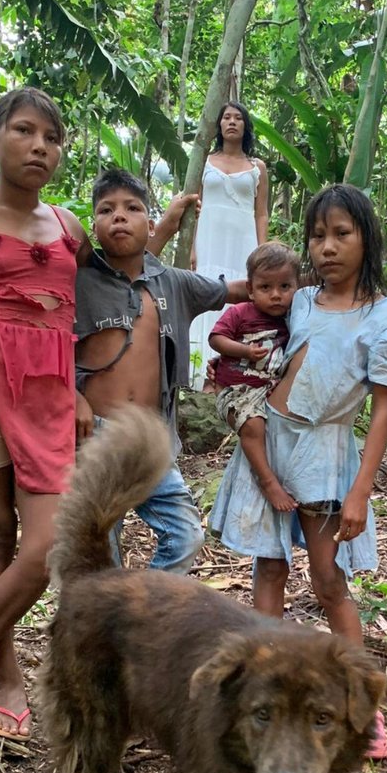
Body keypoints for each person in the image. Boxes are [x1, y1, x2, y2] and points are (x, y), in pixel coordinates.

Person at [0, 90, 192, 739]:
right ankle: (4, 675)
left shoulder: (69, 229)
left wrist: (167, 224)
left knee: (48, 545)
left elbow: (124, 263)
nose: (39, 146)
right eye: (25, 131)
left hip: (49, 393)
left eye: (52, 137)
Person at [210, 184, 387, 758]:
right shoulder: (299, 299)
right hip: (271, 443)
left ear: (366, 238)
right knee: (269, 568)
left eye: (341, 234)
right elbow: (249, 299)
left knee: (328, 580)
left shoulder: (383, 318)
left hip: (325, 456)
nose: (327, 247)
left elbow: (382, 411)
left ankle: (363, 705)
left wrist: (360, 491)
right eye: (318, 235)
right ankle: (264, 691)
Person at [74, 168, 249, 571]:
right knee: (100, 553)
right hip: (96, 436)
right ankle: (110, 610)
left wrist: (302, 285)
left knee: (186, 535)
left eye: (132, 208)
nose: (119, 216)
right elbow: (51, 345)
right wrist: (71, 396)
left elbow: (236, 290)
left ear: (150, 225)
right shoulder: (80, 281)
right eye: (106, 210)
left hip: (151, 438)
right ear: (94, 227)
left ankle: (145, 602)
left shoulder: (173, 282)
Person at [210, 241, 299, 512]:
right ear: (250, 289)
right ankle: (267, 480)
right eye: (265, 287)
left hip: (269, 392)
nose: (276, 295)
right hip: (237, 390)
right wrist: (244, 351)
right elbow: (216, 338)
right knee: (253, 426)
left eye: (285, 286)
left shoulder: (294, 318)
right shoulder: (240, 312)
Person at [187, 102, 268, 389]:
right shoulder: (204, 162)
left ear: (246, 125)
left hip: (243, 242)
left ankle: (232, 374)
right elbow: (194, 206)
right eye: (226, 117)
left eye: (238, 118)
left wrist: (262, 251)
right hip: (209, 239)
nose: (232, 122)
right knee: (207, 291)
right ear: (218, 124)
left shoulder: (257, 168)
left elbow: (261, 213)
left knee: (239, 295)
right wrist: (192, 246)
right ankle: (200, 376)